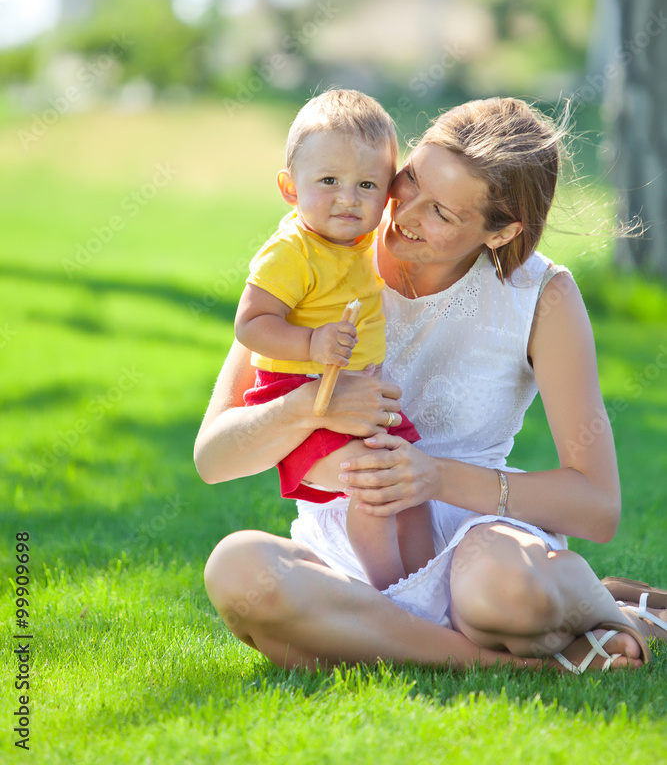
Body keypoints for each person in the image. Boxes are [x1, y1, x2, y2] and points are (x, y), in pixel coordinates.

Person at [195, 96, 666, 673]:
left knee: (504, 594)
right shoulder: (319, 248)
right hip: (354, 539)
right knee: (235, 569)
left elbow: (598, 506)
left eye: (441, 212)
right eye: (410, 178)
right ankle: (515, 664)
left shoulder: (543, 295)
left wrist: (433, 477)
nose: (403, 212)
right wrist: (312, 408)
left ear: (501, 232)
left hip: (480, 540)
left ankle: (590, 605)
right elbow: (214, 457)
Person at [234, 90, 435, 589]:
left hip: (361, 398)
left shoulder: (363, 238)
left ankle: (427, 586)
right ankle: (392, 597)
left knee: (411, 487)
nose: (348, 198)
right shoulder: (291, 252)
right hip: (300, 391)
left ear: (387, 193)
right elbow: (251, 324)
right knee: (375, 485)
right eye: (328, 181)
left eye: (367, 184)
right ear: (289, 187)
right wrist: (311, 344)